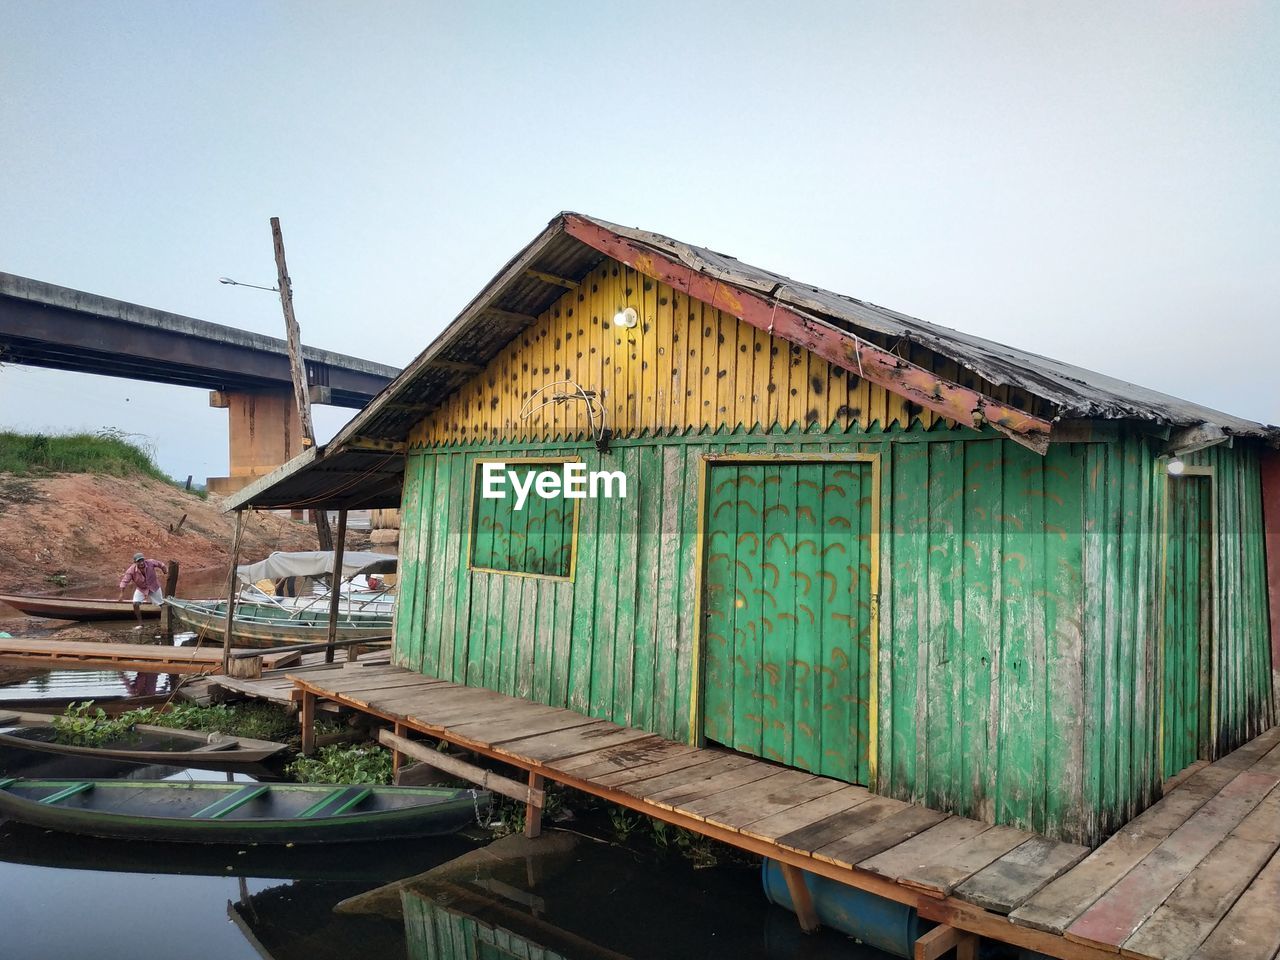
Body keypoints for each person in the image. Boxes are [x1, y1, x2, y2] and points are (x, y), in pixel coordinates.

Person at [117, 552, 168, 629]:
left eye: (142, 560)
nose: (141, 563)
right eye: (139, 561)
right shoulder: (131, 570)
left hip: (154, 586)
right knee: (135, 604)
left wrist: (165, 571)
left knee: (161, 604)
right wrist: (121, 593)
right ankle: (141, 624)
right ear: (135, 562)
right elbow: (125, 581)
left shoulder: (150, 562)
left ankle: (167, 619)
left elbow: (161, 564)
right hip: (141, 588)